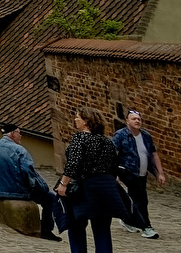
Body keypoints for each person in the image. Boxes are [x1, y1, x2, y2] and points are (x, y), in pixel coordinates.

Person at [58, 107, 125, 253]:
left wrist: (63, 184)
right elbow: (114, 167)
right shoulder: (107, 142)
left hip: (84, 188)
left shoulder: (80, 138)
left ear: (87, 121)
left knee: (76, 225)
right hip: (106, 188)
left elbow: (73, 164)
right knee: (102, 230)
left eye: (78, 117)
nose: (75, 120)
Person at [0, 122, 61, 241]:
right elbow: (29, 173)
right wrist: (38, 188)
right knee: (50, 198)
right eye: (19, 133)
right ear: (12, 134)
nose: (21, 136)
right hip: (16, 191)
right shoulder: (19, 150)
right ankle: (46, 230)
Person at [112, 109, 163, 239]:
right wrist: (114, 173)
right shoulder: (120, 135)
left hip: (142, 173)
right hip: (126, 170)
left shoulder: (146, 136)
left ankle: (127, 220)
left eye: (139, 119)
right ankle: (146, 227)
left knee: (134, 198)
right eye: (134, 119)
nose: (137, 121)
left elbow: (154, 154)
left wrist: (160, 173)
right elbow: (112, 154)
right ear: (127, 121)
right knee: (141, 198)